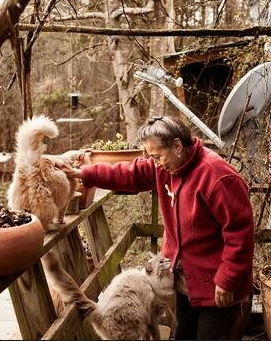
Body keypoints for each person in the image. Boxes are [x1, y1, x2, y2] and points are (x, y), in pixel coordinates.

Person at [62, 116, 254, 340]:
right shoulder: (164, 167)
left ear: (177, 145)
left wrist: (227, 279)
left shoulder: (218, 177)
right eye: (150, 157)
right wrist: (85, 174)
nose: (155, 163)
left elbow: (241, 234)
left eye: (157, 156)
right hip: (185, 284)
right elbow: (129, 174)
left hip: (218, 289)